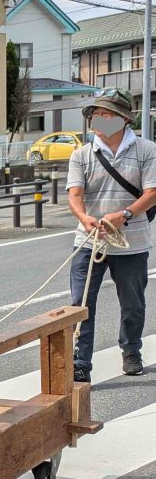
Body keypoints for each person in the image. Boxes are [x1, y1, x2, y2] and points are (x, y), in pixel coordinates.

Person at [66, 87, 156, 383]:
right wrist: (83, 217)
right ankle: (80, 361)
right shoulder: (82, 154)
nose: (99, 119)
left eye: (106, 114)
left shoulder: (146, 150)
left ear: (123, 119)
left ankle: (131, 351)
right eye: (96, 114)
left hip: (131, 242)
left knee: (132, 303)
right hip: (89, 241)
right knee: (81, 304)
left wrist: (125, 215)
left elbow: (152, 192)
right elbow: (75, 193)